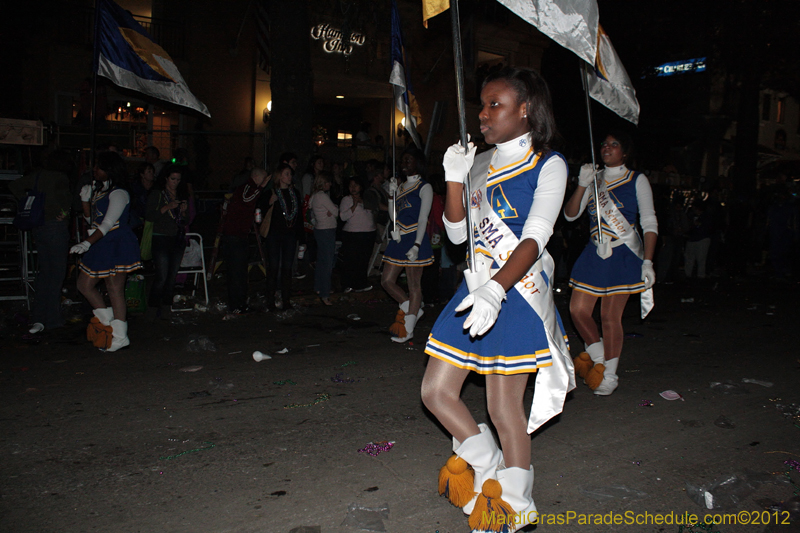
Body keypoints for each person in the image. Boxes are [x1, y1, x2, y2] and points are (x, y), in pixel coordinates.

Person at [421, 66, 573, 533]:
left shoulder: (549, 163)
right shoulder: (481, 162)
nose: (483, 115)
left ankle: (516, 506)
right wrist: (454, 177)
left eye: (495, 105)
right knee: (435, 391)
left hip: (516, 291)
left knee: (504, 406)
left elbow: (537, 234)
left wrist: (496, 287)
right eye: (482, 105)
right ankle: (486, 466)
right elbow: (456, 233)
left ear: (525, 109)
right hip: (476, 286)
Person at [564, 130, 658, 396]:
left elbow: (649, 222)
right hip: (594, 252)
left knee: (609, 316)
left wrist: (648, 261)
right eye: (604, 144)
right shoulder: (594, 180)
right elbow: (571, 215)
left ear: (625, 152)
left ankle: (611, 374)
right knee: (577, 311)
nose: (607, 147)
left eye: (614, 144)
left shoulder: (637, 180)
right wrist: (582, 184)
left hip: (623, 253)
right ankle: (599, 361)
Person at [71, 151, 142, 351]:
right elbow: (91, 221)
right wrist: (85, 200)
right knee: (84, 284)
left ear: (110, 170)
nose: (94, 170)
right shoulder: (99, 191)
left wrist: (86, 243)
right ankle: (109, 320)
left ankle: (120, 336)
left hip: (117, 243)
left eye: (99, 167)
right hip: (101, 242)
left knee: (114, 288)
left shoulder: (119, 193)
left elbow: (109, 223)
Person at [9, 150, 73, 334]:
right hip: (55, 227)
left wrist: (29, 201)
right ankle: (52, 318)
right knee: (57, 274)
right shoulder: (60, 177)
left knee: (44, 274)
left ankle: (39, 317)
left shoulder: (38, 175)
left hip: (39, 226)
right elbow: (66, 201)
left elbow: (14, 186)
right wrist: (63, 211)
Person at [381, 146, 434, 343]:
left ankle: (409, 329)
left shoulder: (424, 187)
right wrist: (391, 196)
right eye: (402, 161)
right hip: (399, 238)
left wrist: (417, 245)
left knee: (414, 284)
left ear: (417, 163)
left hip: (414, 238)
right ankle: (411, 308)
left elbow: (423, 218)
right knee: (386, 280)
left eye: (408, 161)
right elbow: (394, 215)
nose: (404, 165)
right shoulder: (401, 187)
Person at [145, 165, 193, 319]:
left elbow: (184, 221)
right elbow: (150, 215)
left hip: (177, 238)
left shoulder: (179, 194)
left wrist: (184, 211)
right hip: (161, 237)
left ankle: (166, 305)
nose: (175, 182)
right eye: (173, 179)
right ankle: (153, 305)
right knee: (162, 275)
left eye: (178, 180)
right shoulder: (158, 194)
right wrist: (166, 207)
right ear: (166, 178)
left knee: (172, 275)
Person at [220, 168, 269, 314]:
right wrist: (261, 188)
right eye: (264, 178)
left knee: (241, 272)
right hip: (234, 236)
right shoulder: (247, 187)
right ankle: (235, 305)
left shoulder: (251, 189)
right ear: (257, 177)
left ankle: (241, 303)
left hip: (240, 235)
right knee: (236, 272)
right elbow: (247, 200)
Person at [259, 163, 303, 310]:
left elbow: (299, 216)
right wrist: (269, 203)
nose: (289, 177)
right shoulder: (271, 193)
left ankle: (286, 300)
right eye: (286, 174)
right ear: (279, 176)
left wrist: (302, 238)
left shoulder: (295, 193)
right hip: (274, 235)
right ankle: (270, 300)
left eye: (290, 174)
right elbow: (259, 213)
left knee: (287, 268)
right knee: (273, 267)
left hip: (290, 235)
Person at [339, 176, 375, 294]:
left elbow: (373, 211)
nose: (353, 188)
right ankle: (347, 284)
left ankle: (360, 284)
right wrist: (354, 205)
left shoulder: (366, 198)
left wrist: (363, 202)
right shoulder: (346, 199)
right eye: (351, 185)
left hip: (368, 233)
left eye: (356, 185)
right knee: (351, 260)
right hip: (353, 234)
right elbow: (343, 216)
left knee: (363, 260)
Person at [308, 171, 338, 305]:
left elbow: (311, 211)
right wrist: (333, 209)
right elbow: (337, 212)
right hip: (327, 230)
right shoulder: (322, 196)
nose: (330, 184)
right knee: (327, 262)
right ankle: (325, 294)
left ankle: (319, 287)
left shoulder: (314, 196)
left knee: (321, 261)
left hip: (319, 230)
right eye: (328, 182)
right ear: (323, 183)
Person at [129, 162, 155, 237]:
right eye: (149, 171)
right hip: (137, 220)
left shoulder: (156, 188)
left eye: (152, 171)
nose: (151, 174)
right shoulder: (135, 187)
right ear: (142, 174)